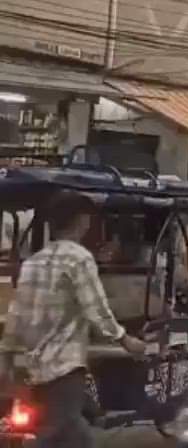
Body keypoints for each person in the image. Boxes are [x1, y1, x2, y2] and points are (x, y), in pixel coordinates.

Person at [0, 190, 148, 448]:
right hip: (65, 367)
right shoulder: (79, 258)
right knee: (59, 432)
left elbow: (17, 315)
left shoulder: (33, 262)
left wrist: (7, 357)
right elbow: (96, 309)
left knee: (69, 432)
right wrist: (125, 340)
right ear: (82, 220)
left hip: (36, 368)